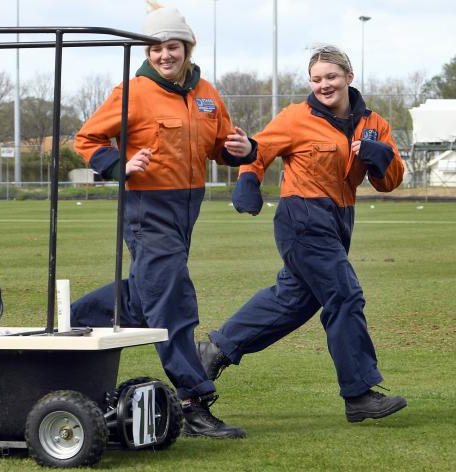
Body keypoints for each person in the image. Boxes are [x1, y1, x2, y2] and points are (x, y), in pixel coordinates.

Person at [70, 1, 255, 439]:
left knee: (148, 295)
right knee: (173, 299)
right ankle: (193, 399)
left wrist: (244, 151)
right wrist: (120, 165)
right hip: (147, 211)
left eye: (170, 46)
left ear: (187, 47)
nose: (163, 55)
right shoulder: (132, 92)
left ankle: (70, 323)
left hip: (186, 211)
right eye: (154, 48)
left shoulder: (207, 92)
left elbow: (222, 146)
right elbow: (86, 138)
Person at [198, 45, 407, 423]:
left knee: (292, 301)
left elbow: (390, 181)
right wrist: (248, 181)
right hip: (302, 217)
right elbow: (257, 151)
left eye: (331, 77)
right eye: (316, 79)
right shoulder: (296, 117)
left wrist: (382, 159)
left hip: (340, 221)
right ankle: (359, 394)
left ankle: (214, 350)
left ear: (349, 77)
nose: (324, 85)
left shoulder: (374, 124)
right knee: (345, 295)